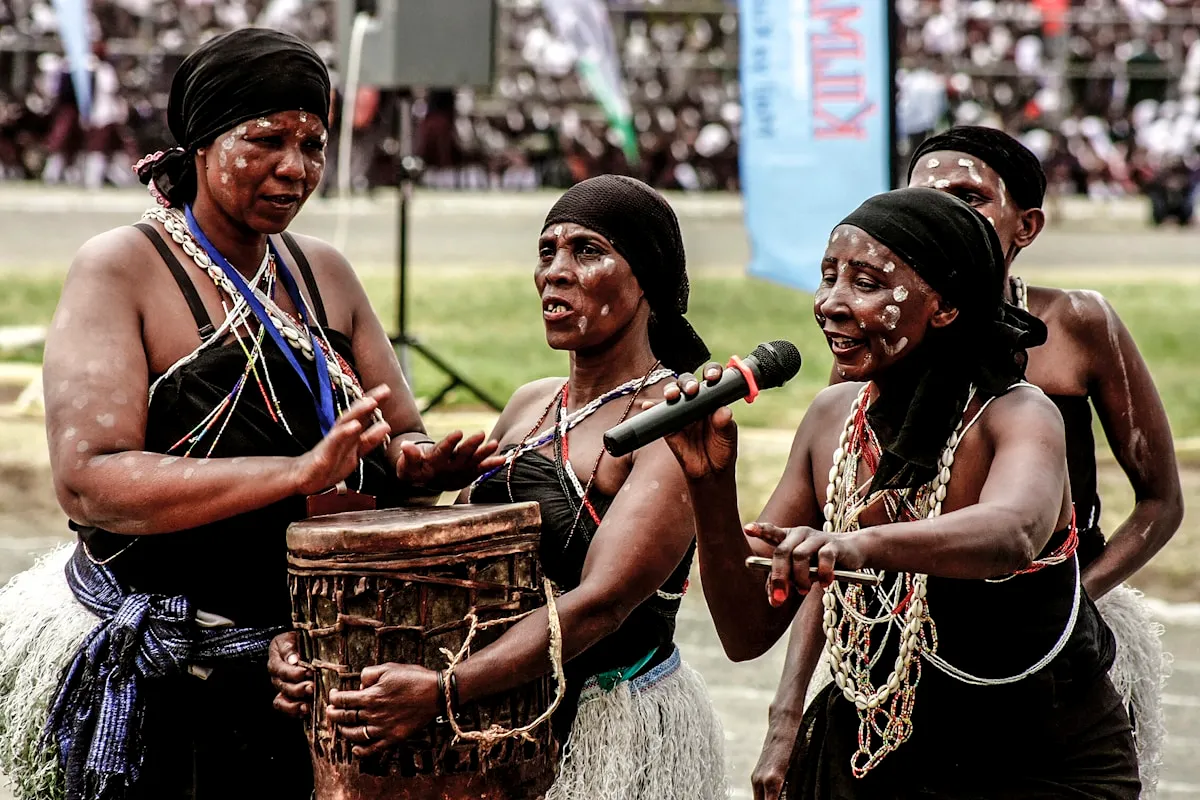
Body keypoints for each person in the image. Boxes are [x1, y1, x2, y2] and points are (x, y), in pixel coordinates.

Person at [0, 28, 498, 800]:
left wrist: (415, 463)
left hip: (316, 671)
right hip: (171, 676)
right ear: (202, 144)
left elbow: (399, 434)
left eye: (313, 144)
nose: (295, 168)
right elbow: (91, 482)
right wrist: (296, 473)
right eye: (266, 140)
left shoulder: (322, 271)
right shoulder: (122, 268)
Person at [665, 187, 1141, 798]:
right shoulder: (831, 419)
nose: (830, 304)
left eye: (865, 283)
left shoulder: (1018, 414)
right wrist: (709, 482)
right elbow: (746, 630)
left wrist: (859, 544)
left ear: (944, 307)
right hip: (875, 749)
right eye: (828, 277)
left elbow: (1014, 532)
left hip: (1041, 756)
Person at [751, 126, 1181, 800]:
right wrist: (787, 714)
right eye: (922, 194)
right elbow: (828, 544)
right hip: (905, 648)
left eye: (969, 196)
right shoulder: (867, 359)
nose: (943, 208)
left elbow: (1152, 503)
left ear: (1026, 225)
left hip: (1046, 645)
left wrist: (1075, 599)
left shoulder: (1073, 330)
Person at [269, 175, 728, 799]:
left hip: (606, 732)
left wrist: (443, 692)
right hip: (496, 723)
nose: (555, 272)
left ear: (645, 277)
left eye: (587, 251)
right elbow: (456, 572)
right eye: (547, 251)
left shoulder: (673, 420)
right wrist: (320, 647)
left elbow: (601, 605)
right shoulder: (531, 403)